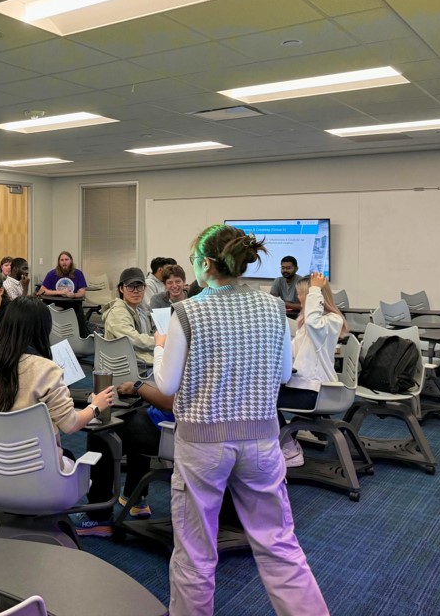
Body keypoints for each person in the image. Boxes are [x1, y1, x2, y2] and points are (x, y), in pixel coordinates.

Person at [155, 224, 328, 616]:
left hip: (202, 443)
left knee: (196, 551)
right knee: (279, 544)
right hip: (262, 440)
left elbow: (166, 384)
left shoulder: (188, 311)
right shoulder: (271, 306)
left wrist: (161, 348)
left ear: (206, 264)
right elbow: (285, 373)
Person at [0, 296, 115, 470]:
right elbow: (70, 425)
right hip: (35, 468)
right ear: (43, 329)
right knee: (77, 459)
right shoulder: (47, 369)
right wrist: (95, 406)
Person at [77, 330, 176, 537]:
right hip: (192, 429)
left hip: (173, 433)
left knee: (101, 430)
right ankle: (135, 496)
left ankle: (98, 517)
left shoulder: (189, 349)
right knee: (134, 416)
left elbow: (169, 400)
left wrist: (140, 385)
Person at [277, 272, 348, 467]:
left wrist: (315, 289)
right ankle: (284, 442)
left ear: (315, 297)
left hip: (316, 391)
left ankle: (290, 451)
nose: (298, 298)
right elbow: (293, 351)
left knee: (262, 400)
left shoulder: (331, 320)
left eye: (303, 294)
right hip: (307, 386)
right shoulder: (306, 323)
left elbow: (313, 323)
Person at [101, 267, 156, 366]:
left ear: (145, 288)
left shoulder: (138, 310)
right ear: (121, 289)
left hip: (133, 359)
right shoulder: (117, 313)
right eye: (130, 286)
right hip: (125, 366)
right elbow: (135, 340)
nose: (135, 291)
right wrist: (161, 342)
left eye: (139, 286)